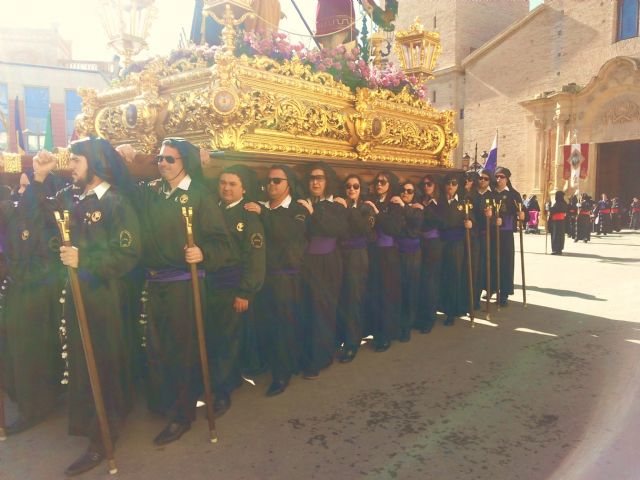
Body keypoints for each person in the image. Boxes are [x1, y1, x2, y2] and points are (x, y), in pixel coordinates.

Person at [30, 138, 141, 476]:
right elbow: (40, 214)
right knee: (81, 361)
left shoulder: (117, 203)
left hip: (103, 297)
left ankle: (103, 437)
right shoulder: (71, 197)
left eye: (76, 161)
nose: (71, 167)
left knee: (102, 362)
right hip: (74, 294)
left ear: (92, 163)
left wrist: (86, 261)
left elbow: (129, 253)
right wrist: (39, 177)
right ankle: (92, 423)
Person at [117, 138, 235, 445]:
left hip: (185, 284)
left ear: (185, 162)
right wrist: (122, 160)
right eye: (160, 159)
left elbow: (223, 243)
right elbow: (126, 189)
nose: (163, 164)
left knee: (181, 351)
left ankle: (183, 415)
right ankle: (164, 402)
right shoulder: (152, 192)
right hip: (155, 284)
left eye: (170, 159)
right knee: (157, 348)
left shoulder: (199, 196)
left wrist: (203, 253)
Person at [0, 170, 66, 435]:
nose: (21, 192)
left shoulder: (49, 217)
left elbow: (45, 260)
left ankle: (35, 407)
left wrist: (18, 270)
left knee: (31, 353)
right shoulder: (16, 215)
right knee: (17, 351)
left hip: (36, 294)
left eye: (28, 187)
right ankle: (27, 400)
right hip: (18, 291)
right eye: (20, 187)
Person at [245, 165, 308, 396]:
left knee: (284, 326)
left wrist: (264, 214)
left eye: (277, 181)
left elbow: (287, 232)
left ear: (288, 184)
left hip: (286, 279)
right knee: (265, 323)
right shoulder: (262, 206)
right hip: (264, 277)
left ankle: (283, 373)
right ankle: (269, 362)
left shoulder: (298, 209)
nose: (271, 185)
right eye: (268, 181)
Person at [208, 165, 265, 415]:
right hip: (209, 284)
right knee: (214, 336)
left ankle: (223, 390)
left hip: (233, 286)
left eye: (232, 184)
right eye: (223, 182)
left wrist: (246, 292)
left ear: (243, 189)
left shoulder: (248, 216)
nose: (226, 188)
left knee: (227, 339)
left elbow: (255, 256)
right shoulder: (211, 211)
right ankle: (215, 380)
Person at [299, 162, 348, 379]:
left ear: (327, 181)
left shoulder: (337, 205)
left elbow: (335, 229)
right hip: (306, 263)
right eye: (312, 178)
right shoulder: (303, 203)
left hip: (328, 262)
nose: (315, 182)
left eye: (320, 178)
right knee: (307, 310)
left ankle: (320, 357)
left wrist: (312, 213)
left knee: (323, 310)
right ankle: (308, 354)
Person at [336, 174, 375, 362]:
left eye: (355, 186)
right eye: (348, 186)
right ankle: (340, 339)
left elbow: (364, 230)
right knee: (340, 298)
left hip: (357, 257)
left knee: (353, 299)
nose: (351, 189)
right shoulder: (338, 206)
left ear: (361, 189)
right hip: (339, 256)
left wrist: (350, 209)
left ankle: (352, 344)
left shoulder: (366, 208)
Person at [366, 170, 404, 351]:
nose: (379, 184)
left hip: (388, 254)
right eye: (377, 181)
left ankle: (386, 334)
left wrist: (376, 212)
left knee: (387, 295)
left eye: (383, 182)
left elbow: (393, 228)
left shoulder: (394, 203)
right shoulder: (371, 200)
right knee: (374, 293)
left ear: (390, 185)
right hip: (373, 253)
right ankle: (375, 330)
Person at [439, 173, 473, 325]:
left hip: (457, 244)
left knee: (455, 276)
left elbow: (473, 219)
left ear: (458, 186)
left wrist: (470, 223)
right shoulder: (439, 202)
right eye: (448, 183)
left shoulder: (465, 202)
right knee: (443, 276)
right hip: (441, 243)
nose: (450, 186)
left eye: (453, 183)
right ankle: (443, 307)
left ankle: (453, 310)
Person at [492, 166, 525, 307]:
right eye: (497, 177)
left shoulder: (513, 194)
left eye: (502, 177)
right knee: (492, 261)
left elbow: (524, 211)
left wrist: (522, 215)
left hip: (505, 233)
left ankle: (504, 292)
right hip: (491, 232)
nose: (499, 179)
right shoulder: (491, 193)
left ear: (507, 179)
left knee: (505, 263)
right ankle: (491, 287)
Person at [416, 174, 443, 333]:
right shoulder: (421, 201)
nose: (426, 187)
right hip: (421, 243)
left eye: (429, 184)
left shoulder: (438, 203)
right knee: (421, 280)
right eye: (424, 184)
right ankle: (420, 316)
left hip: (433, 244)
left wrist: (424, 210)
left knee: (430, 281)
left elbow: (439, 221)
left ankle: (429, 318)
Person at [396, 180, 423, 342]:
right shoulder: (398, 207)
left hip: (412, 254)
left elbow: (415, 222)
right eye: (402, 190)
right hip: (396, 253)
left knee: (410, 290)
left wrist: (404, 206)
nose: (405, 193)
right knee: (398, 290)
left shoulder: (417, 209)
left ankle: (407, 326)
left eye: (409, 191)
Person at [474, 169, 496, 307]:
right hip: (472, 235)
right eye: (481, 178)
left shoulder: (493, 196)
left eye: (486, 178)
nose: (482, 180)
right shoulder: (471, 194)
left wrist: (491, 216)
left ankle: (486, 290)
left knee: (484, 265)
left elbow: (498, 217)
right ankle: (474, 297)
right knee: (474, 266)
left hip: (486, 235)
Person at [548, 190, 568, 255]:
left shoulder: (558, 203)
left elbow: (554, 210)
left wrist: (548, 207)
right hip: (561, 222)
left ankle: (556, 250)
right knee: (560, 236)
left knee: (555, 236)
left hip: (556, 222)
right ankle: (559, 249)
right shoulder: (564, 203)